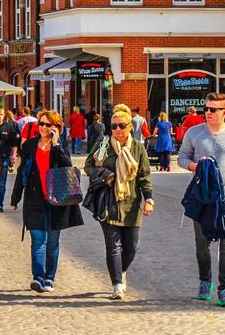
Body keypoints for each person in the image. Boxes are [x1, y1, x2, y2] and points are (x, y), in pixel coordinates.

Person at [177, 93, 225, 307]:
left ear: (224, 112)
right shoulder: (194, 133)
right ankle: (205, 281)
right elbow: (182, 157)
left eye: (213, 109)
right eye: (206, 109)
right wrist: (196, 166)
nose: (208, 113)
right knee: (202, 243)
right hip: (202, 197)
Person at [85, 104, 153, 299]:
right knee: (113, 245)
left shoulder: (138, 148)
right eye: (113, 126)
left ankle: (121, 271)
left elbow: (144, 176)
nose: (117, 130)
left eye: (121, 126)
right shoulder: (103, 144)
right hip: (108, 201)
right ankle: (117, 284)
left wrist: (149, 199)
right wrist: (102, 174)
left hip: (131, 203)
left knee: (131, 246)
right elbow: (89, 166)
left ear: (130, 126)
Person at [10, 110, 83, 292]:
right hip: (35, 198)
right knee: (37, 239)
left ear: (56, 127)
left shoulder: (61, 145)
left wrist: (56, 144)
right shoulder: (30, 145)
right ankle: (38, 277)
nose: (43, 127)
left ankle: (50, 278)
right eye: (41, 124)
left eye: (48, 124)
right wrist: (15, 196)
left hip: (57, 200)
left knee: (52, 241)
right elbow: (22, 171)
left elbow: (67, 166)